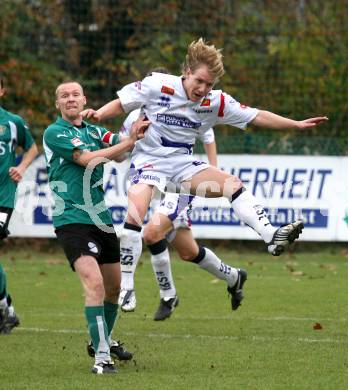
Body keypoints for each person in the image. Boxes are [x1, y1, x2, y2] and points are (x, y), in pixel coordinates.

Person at [81, 38, 328, 313]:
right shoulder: (157, 85)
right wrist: (99, 114)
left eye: (209, 84)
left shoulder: (215, 102)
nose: (203, 89)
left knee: (232, 184)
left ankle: (270, 235)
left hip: (182, 165)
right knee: (137, 218)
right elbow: (121, 103)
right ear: (186, 71)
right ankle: (127, 288)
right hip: (149, 163)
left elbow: (256, 116)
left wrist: (295, 124)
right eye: (199, 81)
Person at [43, 81, 147, 374]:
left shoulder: (95, 131)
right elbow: (87, 159)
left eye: (75, 94)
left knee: (114, 288)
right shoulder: (56, 132)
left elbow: (121, 150)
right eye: (64, 95)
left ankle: (102, 339)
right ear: (58, 104)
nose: (70, 98)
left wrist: (138, 130)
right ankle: (102, 358)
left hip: (101, 219)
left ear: (84, 99)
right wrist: (128, 142)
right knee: (95, 285)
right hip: (72, 220)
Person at [118, 106, 246, 321]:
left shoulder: (183, 109)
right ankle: (234, 276)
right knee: (189, 252)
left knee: (150, 234)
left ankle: (168, 295)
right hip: (151, 182)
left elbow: (208, 136)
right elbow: (121, 152)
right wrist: (114, 149)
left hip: (179, 185)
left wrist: (211, 173)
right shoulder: (135, 116)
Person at [0, 73, 38, 334]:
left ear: (2, 91)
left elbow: (32, 148)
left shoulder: (12, 123)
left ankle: (5, 308)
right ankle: (7, 308)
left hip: (3, 196)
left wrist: (22, 166)